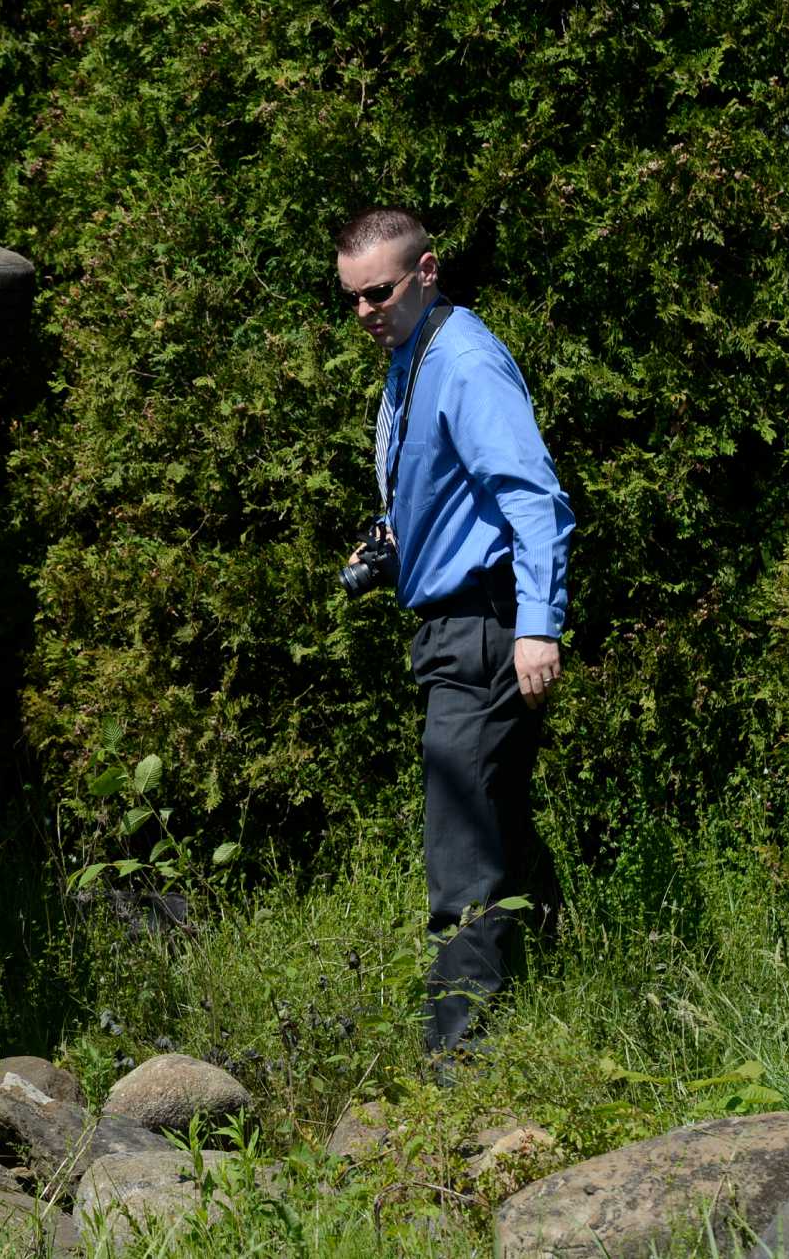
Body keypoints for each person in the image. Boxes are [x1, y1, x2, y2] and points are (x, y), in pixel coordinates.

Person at [335, 206, 575, 1057]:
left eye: (381, 292)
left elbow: (534, 499)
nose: (367, 310)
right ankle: (558, 996)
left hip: (486, 626)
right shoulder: (411, 358)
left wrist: (539, 627)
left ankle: (457, 1067)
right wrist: (397, 544)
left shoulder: (464, 361)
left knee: (460, 857)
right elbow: (447, 495)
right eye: (354, 298)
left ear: (426, 271)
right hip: (448, 628)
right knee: (498, 822)